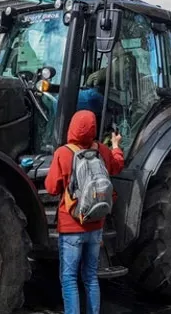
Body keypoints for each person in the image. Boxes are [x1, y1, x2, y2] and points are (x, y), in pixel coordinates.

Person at [45, 110, 124, 314]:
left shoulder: (63, 153)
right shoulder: (102, 151)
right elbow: (117, 166)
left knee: (69, 279)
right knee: (90, 276)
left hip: (71, 226)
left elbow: (52, 187)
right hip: (96, 224)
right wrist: (116, 146)